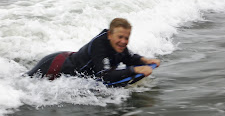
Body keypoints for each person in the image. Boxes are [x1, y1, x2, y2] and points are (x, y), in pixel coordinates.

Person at [27, 18, 160, 85]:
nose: (124, 41)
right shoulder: (100, 46)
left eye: (126, 37)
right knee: (25, 84)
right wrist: (135, 70)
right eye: (120, 37)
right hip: (54, 65)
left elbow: (129, 58)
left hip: (68, 58)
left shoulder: (118, 44)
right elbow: (105, 75)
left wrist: (145, 60)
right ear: (109, 35)